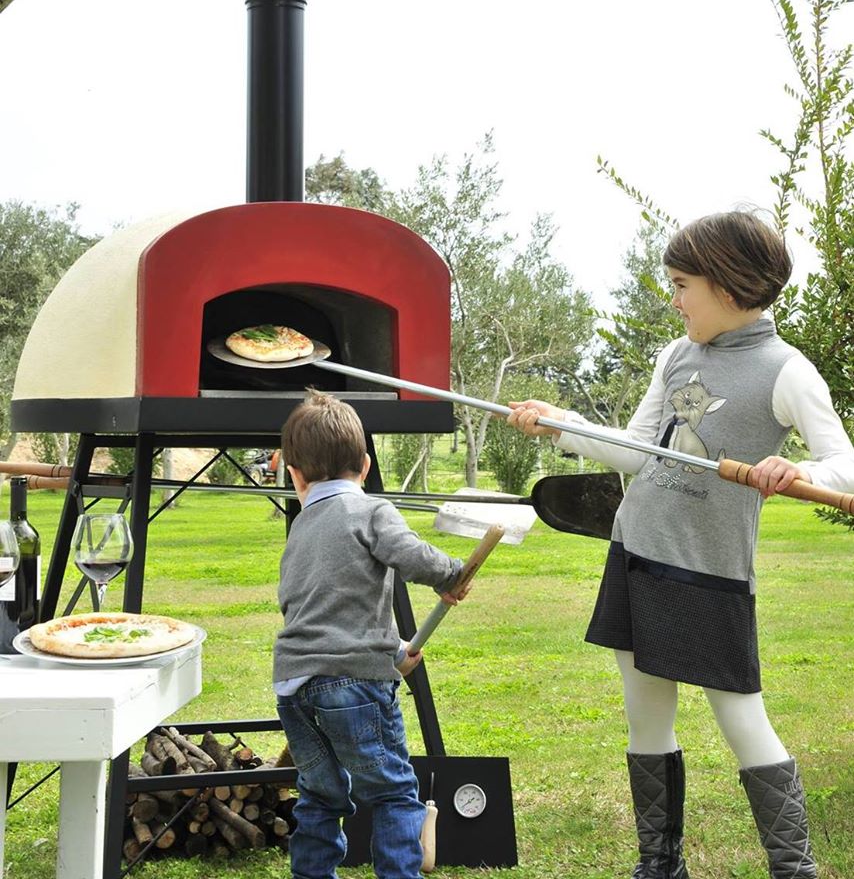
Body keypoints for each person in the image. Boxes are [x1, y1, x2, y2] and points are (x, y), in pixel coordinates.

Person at [506, 211, 854, 879]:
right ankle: (659, 866)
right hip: (637, 550)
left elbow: (846, 464)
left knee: (742, 720)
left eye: (681, 283)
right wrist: (562, 425)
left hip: (709, 571)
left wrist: (801, 471)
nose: (674, 298)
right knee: (646, 719)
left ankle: (795, 869)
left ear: (728, 286)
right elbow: (638, 453)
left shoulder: (788, 371)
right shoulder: (675, 355)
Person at [274, 390, 465, 879]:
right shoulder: (371, 511)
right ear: (364, 465)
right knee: (394, 792)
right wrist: (452, 573)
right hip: (354, 684)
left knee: (320, 794)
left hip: (295, 687)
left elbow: (315, 610)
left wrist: (395, 649)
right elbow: (411, 554)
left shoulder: (299, 529)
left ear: (295, 475)